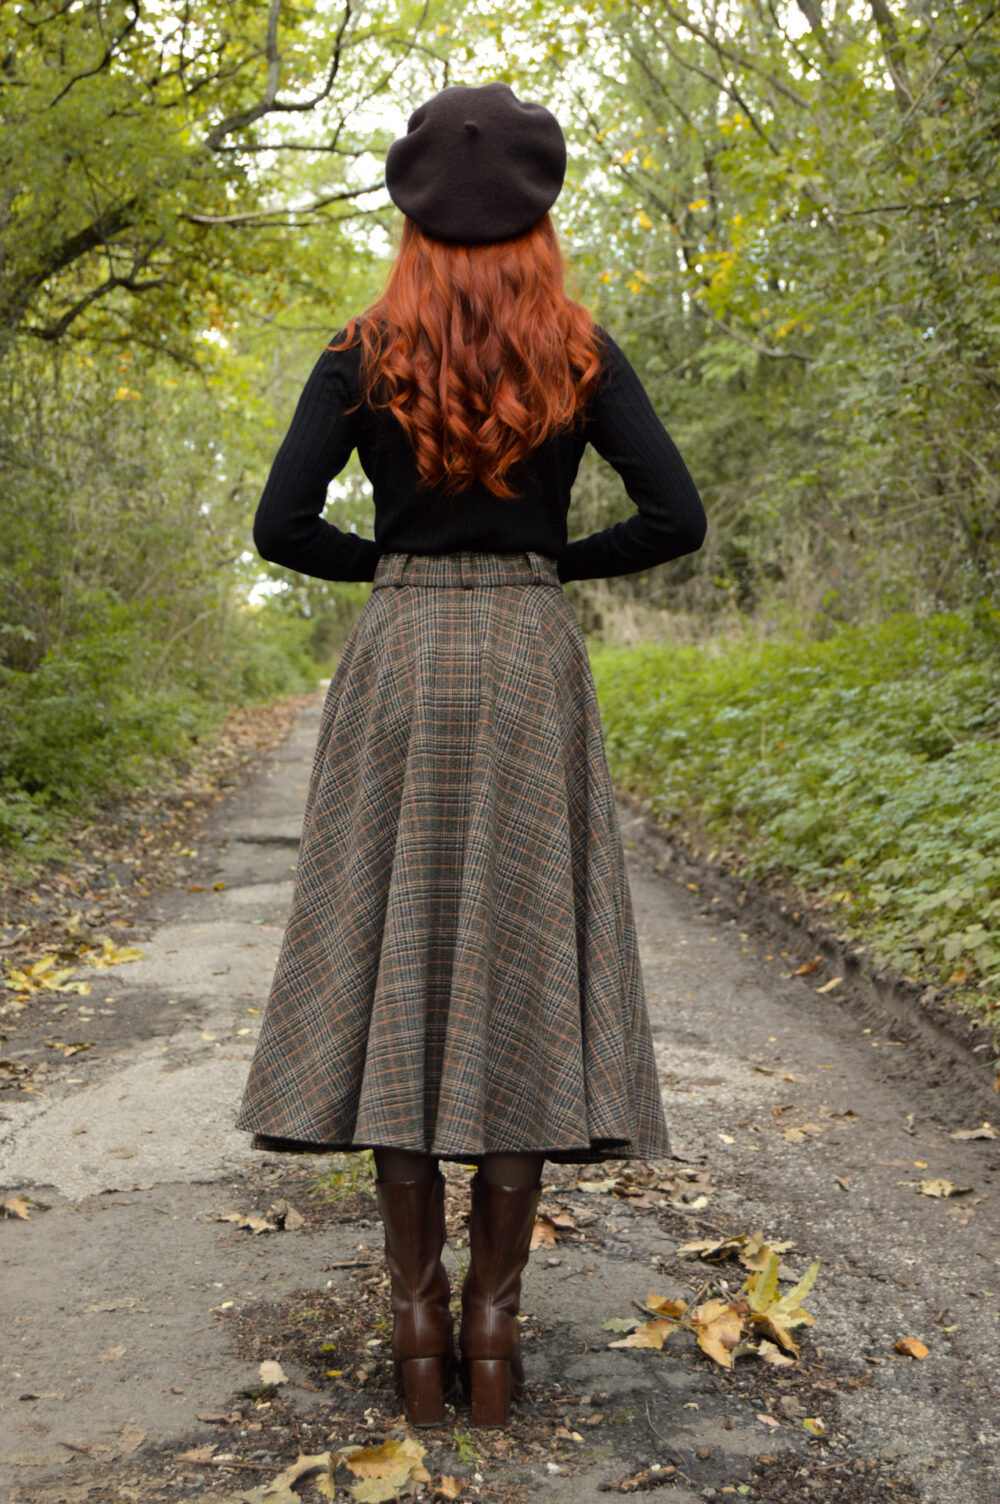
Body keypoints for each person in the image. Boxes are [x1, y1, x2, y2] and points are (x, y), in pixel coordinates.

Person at [234, 80, 707, 1430]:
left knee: (398, 954)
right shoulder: (579, 350)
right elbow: (676, 517)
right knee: (510, 961)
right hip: (524, 663)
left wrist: (383, 570)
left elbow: (278, 526)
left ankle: (414, 1316)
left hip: (398, 661)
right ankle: (494, 1332)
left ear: (414, 215)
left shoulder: (362, 351)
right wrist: (556, 558)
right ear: (539, 214)